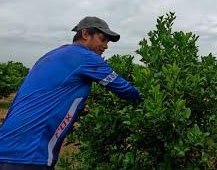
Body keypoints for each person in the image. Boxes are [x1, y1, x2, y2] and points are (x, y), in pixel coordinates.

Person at [0, 16, 141, 169]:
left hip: (7, 147)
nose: (106, 46)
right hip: (29, 154)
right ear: (86, 34)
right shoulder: (86, 57)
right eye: (103, 39)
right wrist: (158, 100)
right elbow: (126, 90)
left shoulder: (53, 55)